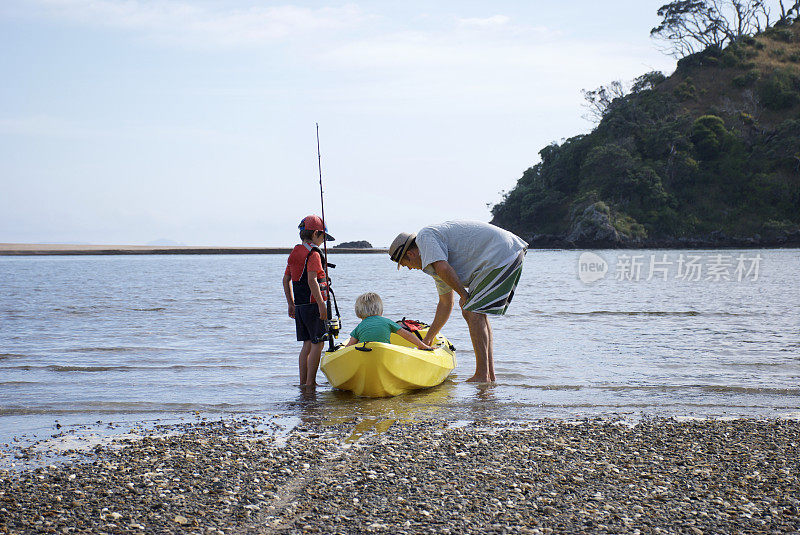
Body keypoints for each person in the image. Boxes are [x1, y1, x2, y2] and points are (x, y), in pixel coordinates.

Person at [388, 220, 527, 382]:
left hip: (501, 252)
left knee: (472, 311)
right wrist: (427, 340)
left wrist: (464, 296)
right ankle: (489, 376)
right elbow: (446, 304)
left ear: (410, 255)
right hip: (498, 256)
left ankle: (482, 376)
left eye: (405, 265)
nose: (410, 269)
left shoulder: (425, 237)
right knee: (475, 312)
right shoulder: (434, 265)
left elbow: (444, 269)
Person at [283, 215, 334, 387]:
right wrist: (321, 304)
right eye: (323, 237)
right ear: (315, 234)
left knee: (306, 344)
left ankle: (303, 382)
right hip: (314, 304)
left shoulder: (295, 252)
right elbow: (312, 280)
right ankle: (311, 382)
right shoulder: (313, 254)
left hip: (300, 306)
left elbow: (286, 279)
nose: (323, 241)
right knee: (318, 343)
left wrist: (290, 303)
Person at [345, 292, 432, 349]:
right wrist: (423, 345)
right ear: (381, 310)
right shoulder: (387, 322)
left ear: (358, 312)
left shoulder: (359, 326)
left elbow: (348, 348)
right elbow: (408, 335)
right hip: (385, 353)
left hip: (366, 354)